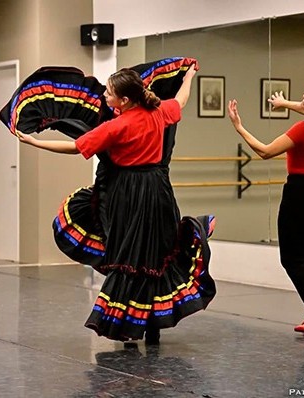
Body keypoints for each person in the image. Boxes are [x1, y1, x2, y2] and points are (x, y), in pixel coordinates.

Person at [17, 66, 215, 344]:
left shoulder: (118, 125)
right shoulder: (158, 111)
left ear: (123, 100)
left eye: (109, 92)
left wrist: (34, 142)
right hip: (159, 191)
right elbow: (181, 101)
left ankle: (129, 325)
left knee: (130, 257)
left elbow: (76, 148)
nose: (104, 95)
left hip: (129, 193)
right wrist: (190, 76)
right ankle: (152, 327)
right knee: (155, 255)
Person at [227, 81, 304, 334]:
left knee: (291, 257)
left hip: (301, 194)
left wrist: (239, 128)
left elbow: (265, 152)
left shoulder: (303, 129)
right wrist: (284, 104)